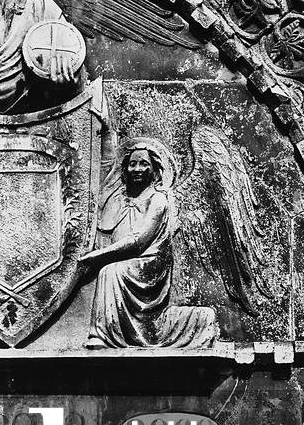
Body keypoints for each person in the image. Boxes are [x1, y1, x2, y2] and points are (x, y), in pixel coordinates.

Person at [80, 142, 216, 349]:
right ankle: (109, 334)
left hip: (149, 266)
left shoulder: (158, 200)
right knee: (111, 270)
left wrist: (98, 256)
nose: (137, 169)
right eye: (132, 164)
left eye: (144, 164)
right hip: (130, 261)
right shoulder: (122, 199)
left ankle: (103, 336)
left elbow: (138, 241)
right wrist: (107, 131)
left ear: (154, 169)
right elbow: (106, 168)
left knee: (109, 271)